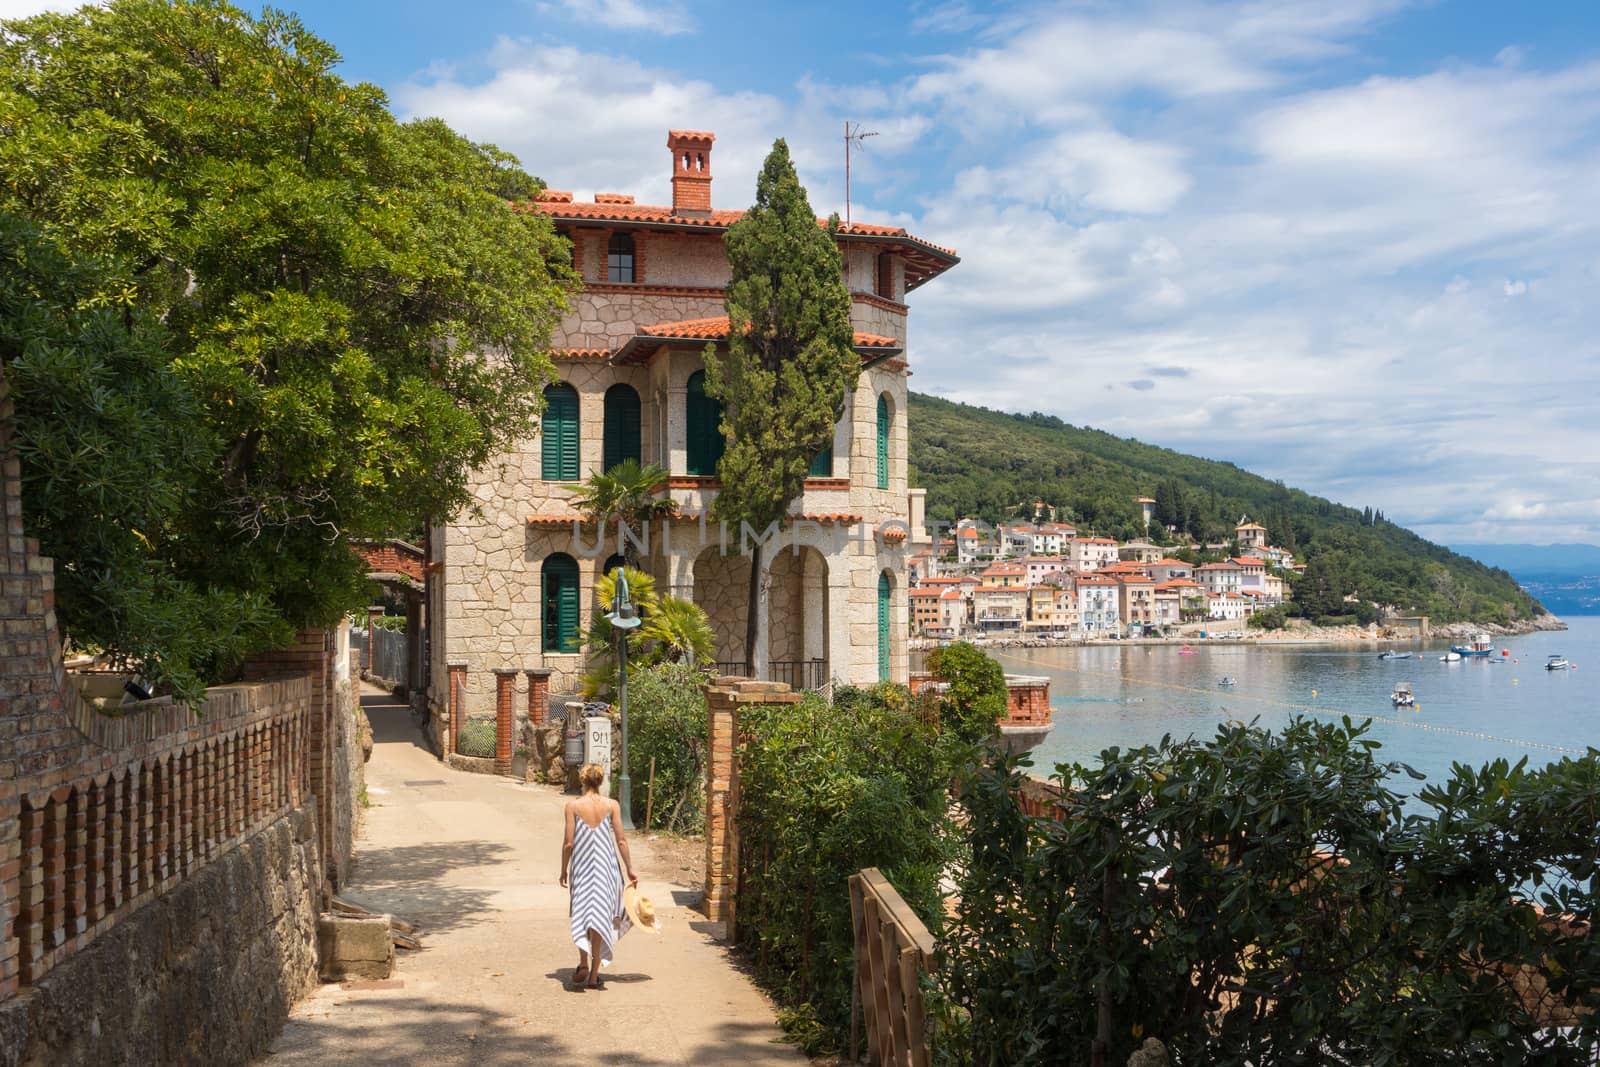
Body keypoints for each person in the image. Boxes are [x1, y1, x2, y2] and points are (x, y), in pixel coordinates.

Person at [559, 762, 638, 989]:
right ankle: (594, 975)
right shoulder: (612, 805)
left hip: (582, 868)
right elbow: (621, 840)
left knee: (583, 913)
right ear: (601, 781)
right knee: (600, 916)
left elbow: (568, 843)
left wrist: (564, 869)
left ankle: (583, 963)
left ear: (583, 780)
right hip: (606, 868)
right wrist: (630, 868)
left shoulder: (572, 806)